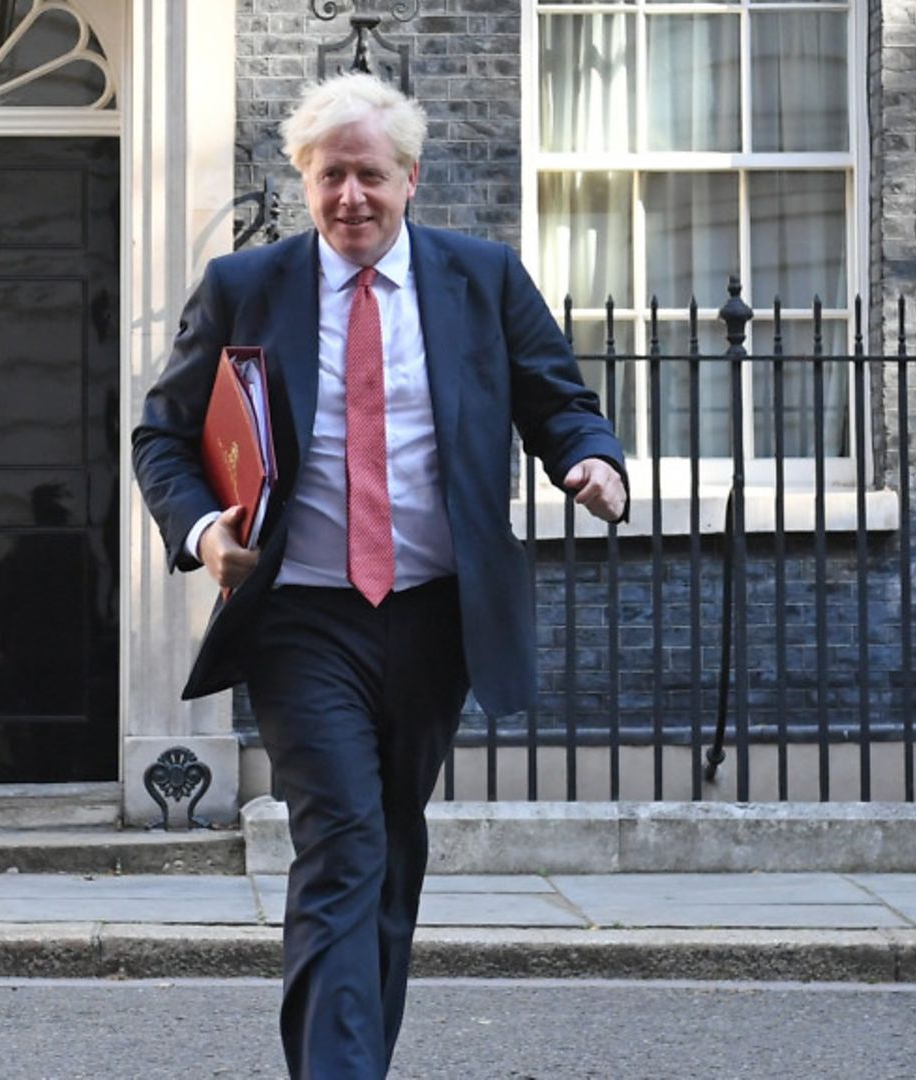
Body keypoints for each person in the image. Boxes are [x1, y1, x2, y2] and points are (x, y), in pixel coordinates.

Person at [131, 73, 627, 1078]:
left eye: (369, 175)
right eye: (329, 177)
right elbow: (163, 437)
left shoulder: (481, 279)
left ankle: (351, 1056)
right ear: (303, 182)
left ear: (411, 178)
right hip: (302, 616)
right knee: (342, 844)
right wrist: (200, 535)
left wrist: (593, 460)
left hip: (435, 615)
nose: (349, 197)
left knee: (391, 848)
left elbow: (556, 399)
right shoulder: (247, 288)